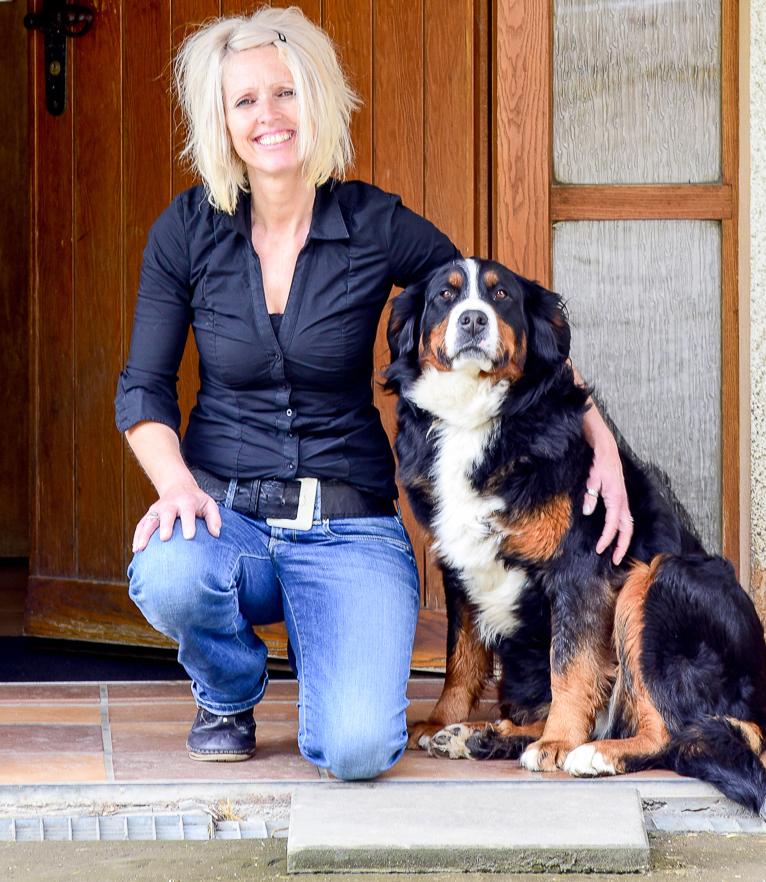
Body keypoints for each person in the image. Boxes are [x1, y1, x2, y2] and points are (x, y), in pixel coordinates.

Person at [115, 5, 632, 781]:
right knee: (168, 569)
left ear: (316, 101)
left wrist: (602, 442)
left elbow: (492, 318)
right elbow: (143, 388)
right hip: (227, 514)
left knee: (358, 751)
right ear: (221, 121)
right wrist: (176, 486)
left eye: (286, 93)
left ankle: (329, 635)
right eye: (245, 100)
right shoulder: (186, 230)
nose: (268, 116)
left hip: (347, 525)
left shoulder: (373, 223)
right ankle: (227, 688)